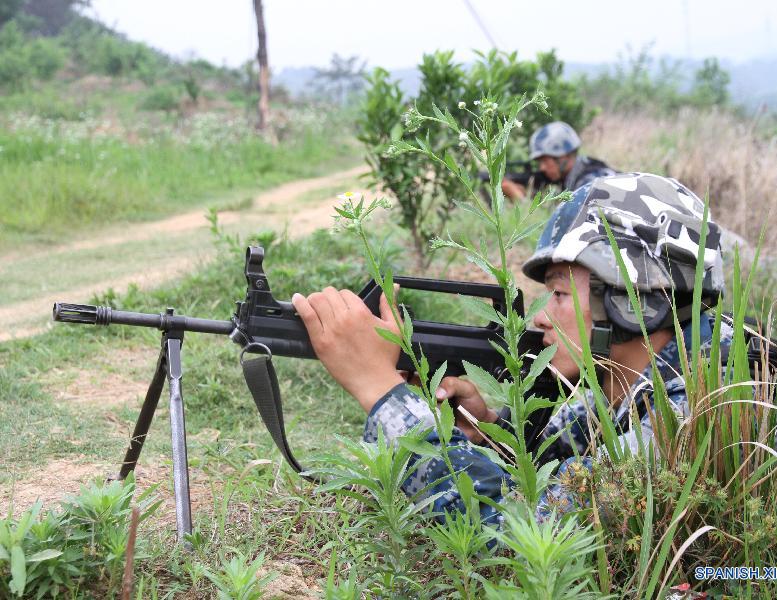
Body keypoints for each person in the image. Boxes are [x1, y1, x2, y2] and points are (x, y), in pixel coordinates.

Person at [291, 172, 726, 523]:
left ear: (635, 301)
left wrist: (380, 390)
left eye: (558, 294)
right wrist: (485, 429)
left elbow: (522, 531)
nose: (540, 316)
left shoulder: (696, 409)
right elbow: (546, 468)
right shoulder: (626, 383)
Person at [500, 121, 617, 200]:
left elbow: (571, 223)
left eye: (545, 161)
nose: (542, 168)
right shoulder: (571, 177)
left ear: (563, 156)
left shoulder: (590, 181)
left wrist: (520, 200)